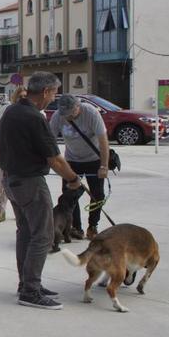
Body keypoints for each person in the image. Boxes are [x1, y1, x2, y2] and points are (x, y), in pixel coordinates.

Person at [0, 71, 83, 310]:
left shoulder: (12, 110)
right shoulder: (34, 117)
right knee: (43, 235)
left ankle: (26, 284)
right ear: (45, 91)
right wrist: (74, 179)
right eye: (54, 92)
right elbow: (55, 158)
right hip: (30, 181)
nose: (54, 97)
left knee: (25, 232)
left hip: (10, 180)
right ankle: (31, 291)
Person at [49, 94, 110, 239]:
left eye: (71, 113)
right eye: (65, 114)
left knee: (97, 195)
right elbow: (50, 142)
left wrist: (104, 166)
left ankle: (93, 226)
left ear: (78, 107)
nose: (67, 117)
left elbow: (103, 141)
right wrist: (55, 163)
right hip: (71, 160)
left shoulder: (91, 113)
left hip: (93, 159)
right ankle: (76, 227)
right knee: (70, 194)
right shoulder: (58, 116)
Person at [0, 86, 27, 222]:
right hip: (8, 153)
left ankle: (24, 210)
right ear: (15, 97)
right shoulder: (6, 110)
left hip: (26, 155)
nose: (22, 99)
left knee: (25, 184)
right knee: (4, 183)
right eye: (20, 96)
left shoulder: (34, 110)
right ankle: (0, 210)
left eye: (24, 96)